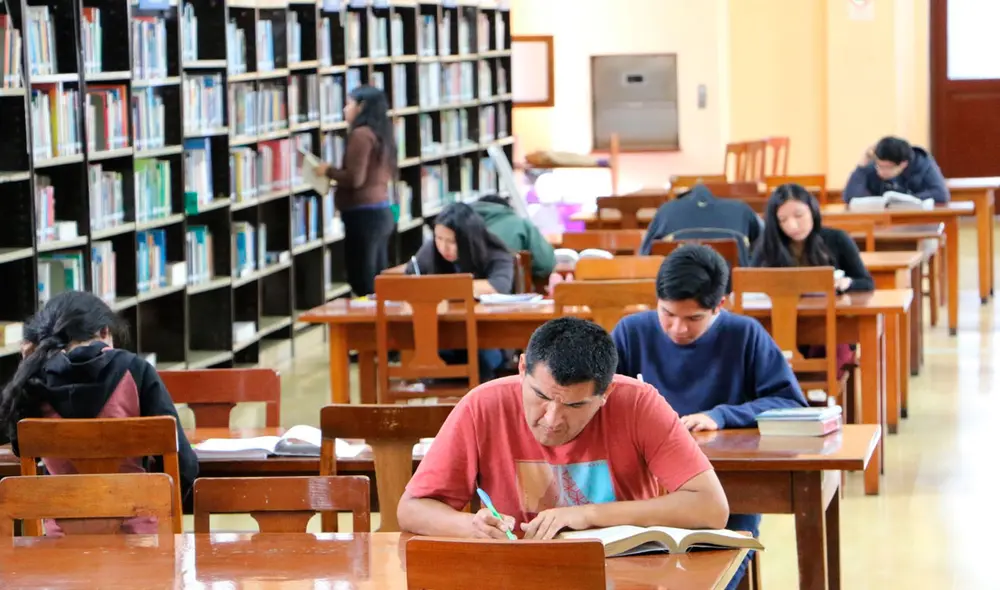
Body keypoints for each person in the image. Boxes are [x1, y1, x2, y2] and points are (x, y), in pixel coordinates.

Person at [397, 317, 730, 542]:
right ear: (523, 367)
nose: (552, 419)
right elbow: (411, 508)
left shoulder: (638, 405)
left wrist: (588, 515)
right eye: (541, 396)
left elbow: (711, 507)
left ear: (606, 394)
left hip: (625, 573)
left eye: (574, 406)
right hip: (517, 576)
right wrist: (471, 526)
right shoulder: (484, 405)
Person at [611, 245, 808, 589]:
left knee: (709, 577)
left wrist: (723, 415)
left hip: (726, 491)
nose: (677, 328)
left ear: (721, 304)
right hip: (642, 494)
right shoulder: (631, 332)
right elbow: (599, 401)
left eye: (693, 318)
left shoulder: (745, 335)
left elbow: (791, 402)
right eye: (667, 313)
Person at [0, 291, 199, 535]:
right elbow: (185, 466)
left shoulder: (33, 380)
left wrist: (26, 364)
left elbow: (20, 448)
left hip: (59, 546)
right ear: (104, 332)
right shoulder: (136, 371)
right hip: (140, 541)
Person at [406, 202, 515, 380]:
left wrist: (437, 288)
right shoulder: (432, 249)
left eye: (451, 241)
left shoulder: (494, 253)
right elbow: (410, 276)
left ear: (468, 240)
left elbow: (498, 286)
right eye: (438, 238)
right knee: (429, 363)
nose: (443, 247)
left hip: (486, 338)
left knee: (480, 364)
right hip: (442, 335)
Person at [314, 85, 397, 296]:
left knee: (362, 281)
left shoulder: (361, 135)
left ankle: (370, 326)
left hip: (363, 217)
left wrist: (328, 171)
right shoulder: (382, 133)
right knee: (377, 279)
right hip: (381, 212)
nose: (344, 109)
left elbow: (354, 179)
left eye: (349, 103)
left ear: (362, 107)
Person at [751, 183, 874, 293]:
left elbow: (866, 282)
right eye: (783, 220)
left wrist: (848, 283)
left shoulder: (837, 238)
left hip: (830, 313)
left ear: (812, 211)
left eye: (799, 215)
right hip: (781, 314)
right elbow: (749, 284)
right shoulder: (768, 244)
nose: (792, 226)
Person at [639, 183, 762, 265]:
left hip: (677, 293)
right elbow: (765, 247)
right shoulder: (741, 210)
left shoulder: (666, 211)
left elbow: (644, 257)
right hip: (731, 291)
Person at [471, 194, 556, 284]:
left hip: (465, 291)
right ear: (507, 207)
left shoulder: (460, 223)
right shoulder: (520, 223)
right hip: (513, 290)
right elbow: (545, 264)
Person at [843, 136, 949, 203]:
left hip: (917, 222)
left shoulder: (922, 163)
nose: (881, 172)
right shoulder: (875, 163)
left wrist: (906, 200)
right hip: (882, 225)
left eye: (887, 167)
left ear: (903, 164)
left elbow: (940, 194)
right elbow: (850, 197)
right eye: (879, 166)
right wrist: (861, 166)